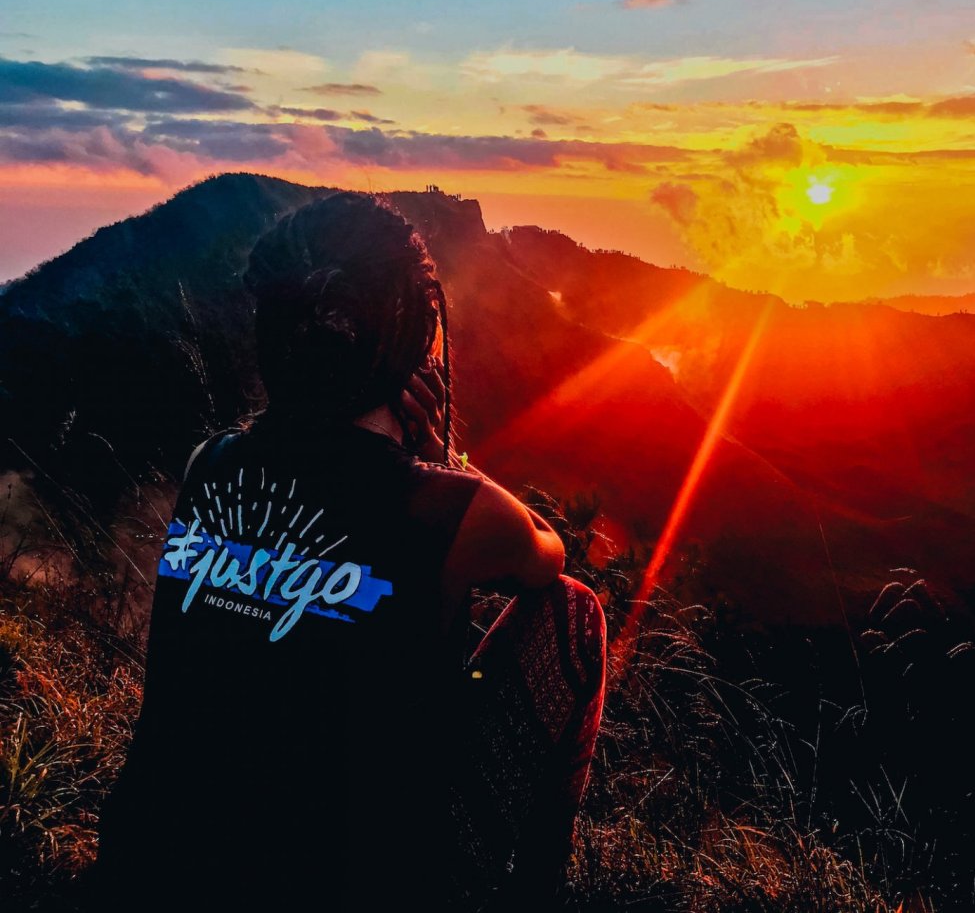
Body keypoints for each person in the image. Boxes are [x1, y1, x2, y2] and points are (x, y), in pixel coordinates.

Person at [87, 193, 608, 911]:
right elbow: (545, 558)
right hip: (350, 884)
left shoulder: (210, 463)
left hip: (150, 870)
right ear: (412, 338)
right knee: (574, 612)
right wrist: (450, 458)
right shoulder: (451, 508)